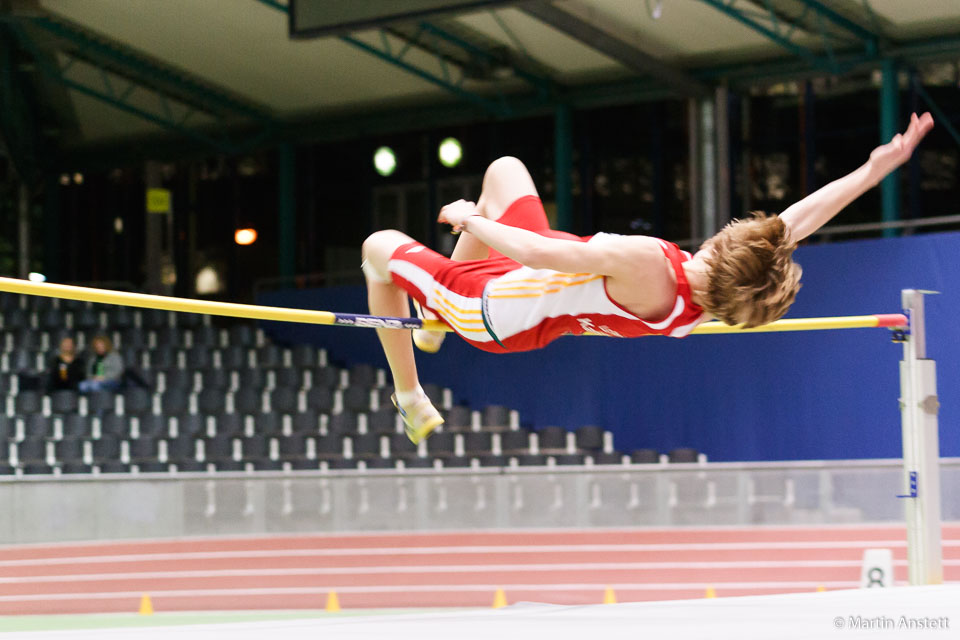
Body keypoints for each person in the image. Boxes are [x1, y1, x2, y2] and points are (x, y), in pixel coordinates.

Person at [361, 112, 935, 444]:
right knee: (504, 171)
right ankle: (431, 316)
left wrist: (468, 218)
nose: (722, 232)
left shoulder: (649, 263)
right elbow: (795, 224)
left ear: (719, 252)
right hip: (519, 285)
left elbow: (537, 252)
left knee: (377, 250)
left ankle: (409, 394)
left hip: (488, 307)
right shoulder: (706, 299)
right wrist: (873, 169)